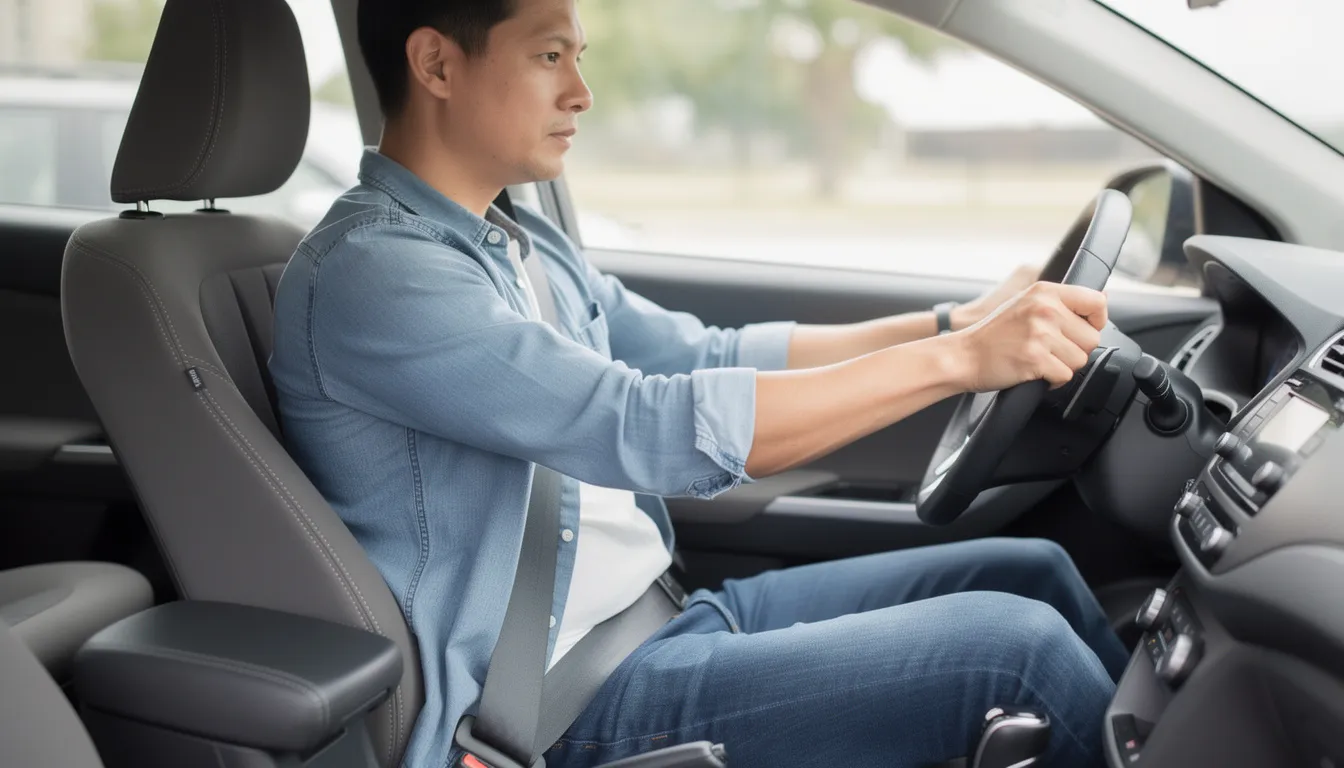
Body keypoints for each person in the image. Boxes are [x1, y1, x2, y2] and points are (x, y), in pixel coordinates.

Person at [269, 1, 1130, 766]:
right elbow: (641, 426)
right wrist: (960, 364)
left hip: (668, 615)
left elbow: (706, 354)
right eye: (548, 55)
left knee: (1036, 573)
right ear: (437, 64)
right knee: (1016, 653)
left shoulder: (512, 242)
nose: (581, 91)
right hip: (559, 707)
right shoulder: (377, 273)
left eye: (578, 57)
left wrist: (954, 325)